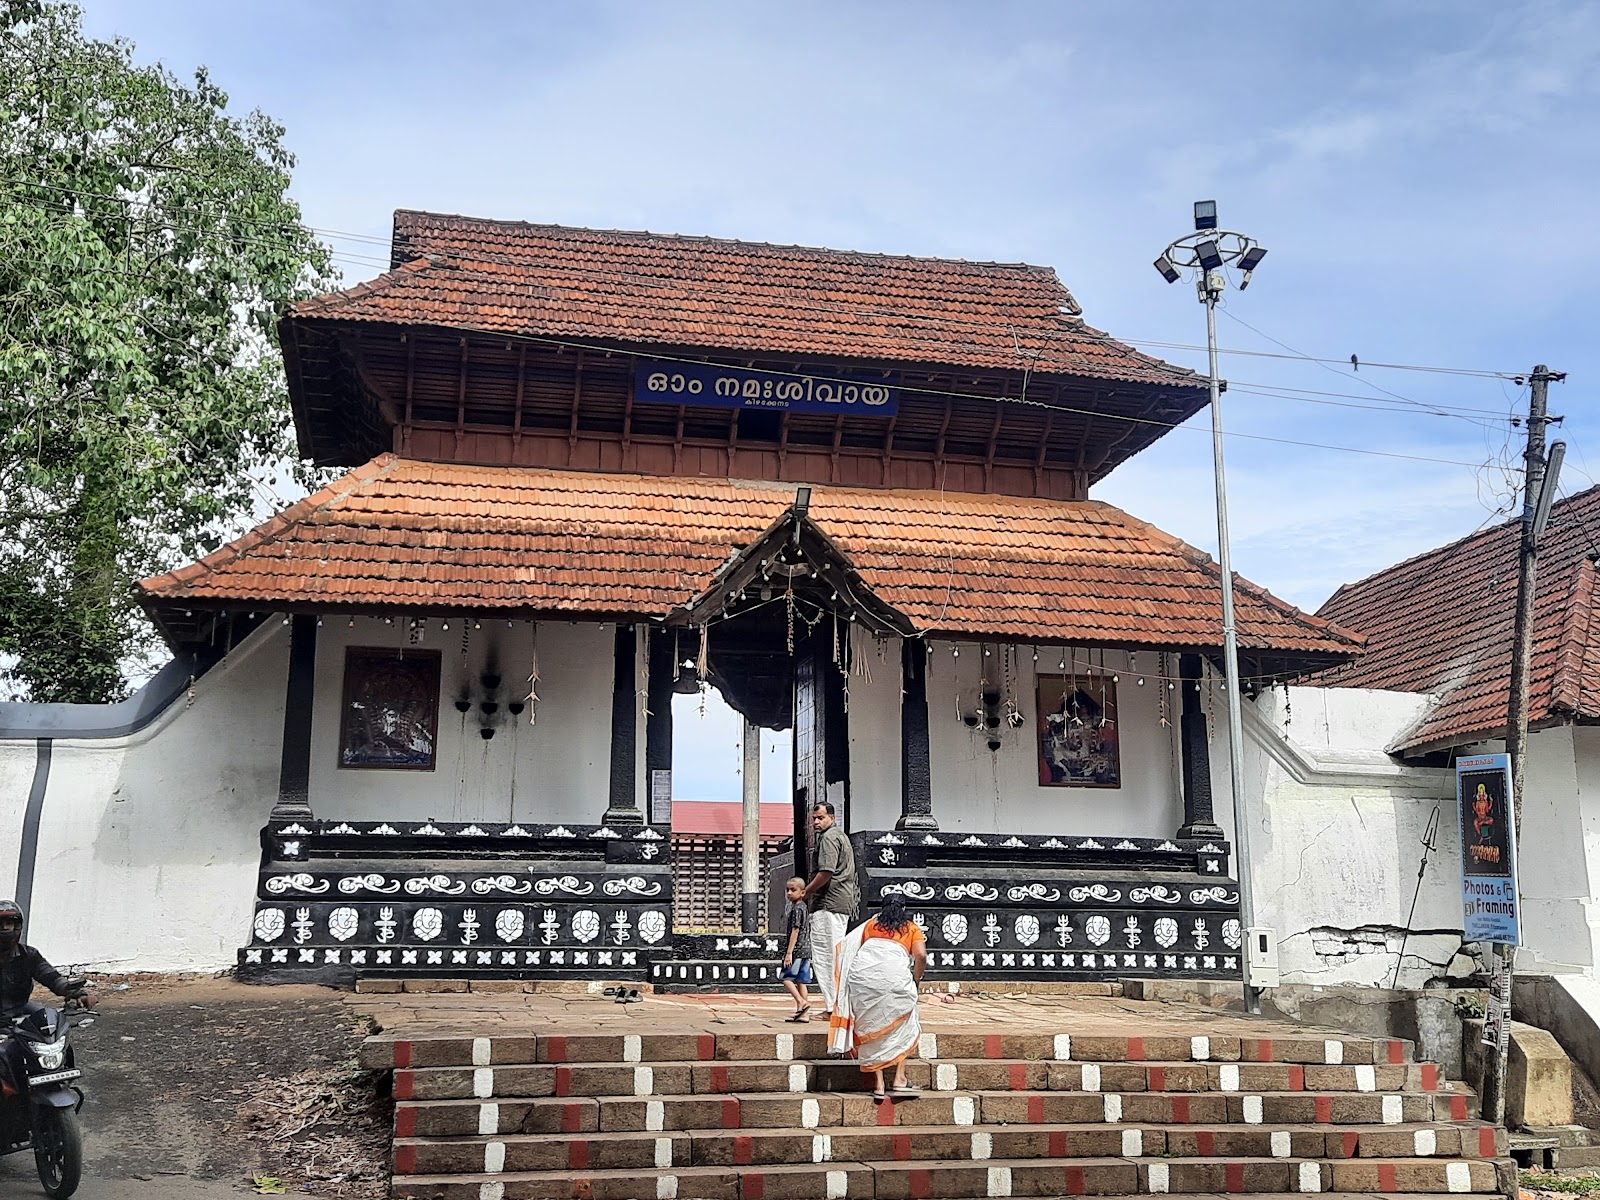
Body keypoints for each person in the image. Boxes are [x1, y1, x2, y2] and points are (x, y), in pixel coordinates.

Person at [828, 893, 927, 1101]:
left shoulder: (870, 926)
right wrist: (916, 978)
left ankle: (879, 1084)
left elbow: (852, 949)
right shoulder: (911, 928)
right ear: (903, 909)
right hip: (894, 981)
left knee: (870, 1025)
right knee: (908, 1023)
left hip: (863, 981)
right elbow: (921, 956)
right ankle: (899, 1078)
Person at [800, 802, 857, 1018]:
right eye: (814, 818)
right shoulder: (840, 837)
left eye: (820, 818)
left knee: (826, 957)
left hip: (828, 903)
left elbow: (826, 872)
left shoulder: (829, 838)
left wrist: (807, 891)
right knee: (836, 956)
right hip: (839, 904)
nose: (816, 822)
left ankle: (834, 1007)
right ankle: (838, 1005)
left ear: (831, 818)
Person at [0, 900, 85, 1020]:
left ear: (17, 926)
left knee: (50, 1021)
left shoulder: (29, 955)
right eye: (0, 924)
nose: (4, 928)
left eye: (9, 923)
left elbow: (52, 977)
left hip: (18, 1011)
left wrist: (76, 993)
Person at [778, 877, 814, 1022]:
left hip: (797, 949)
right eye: (787, 890)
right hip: (806, 948)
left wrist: (789, 953)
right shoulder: (803, 907)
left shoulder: (797, 909)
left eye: (793, 890)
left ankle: (801, 1002)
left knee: (786, 978)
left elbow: (795, 930)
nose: (789, 893)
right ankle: (803, 1014)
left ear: (803, 892)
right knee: (801, 981)